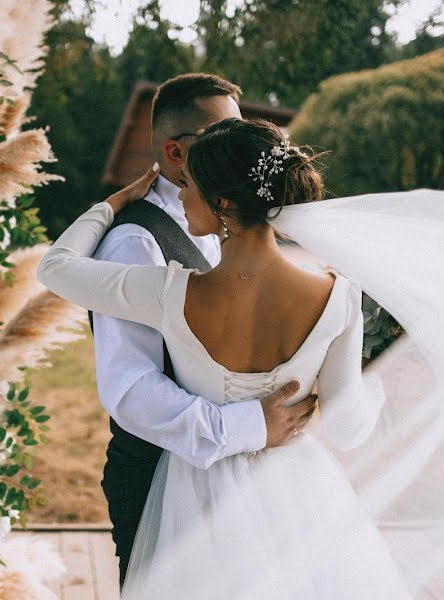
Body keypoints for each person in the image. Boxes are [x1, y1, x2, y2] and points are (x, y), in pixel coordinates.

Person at [38, 118, 417, 598]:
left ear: (222, 203)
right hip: (297, 495)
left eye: (189, 185)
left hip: (193, 498)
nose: (179, 196)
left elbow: (55, 268)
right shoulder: (339, 296)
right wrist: (376, 387)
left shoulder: (167, 293)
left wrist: (110, 206)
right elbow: (347, 428)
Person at [91, 74, 314, 588]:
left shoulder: (225, 225)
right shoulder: (135, 243)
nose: (241, 149)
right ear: (175, 152)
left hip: (236, 478)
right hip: (159, 480)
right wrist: (249, 428)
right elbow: (130, 390)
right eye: (221, 135)